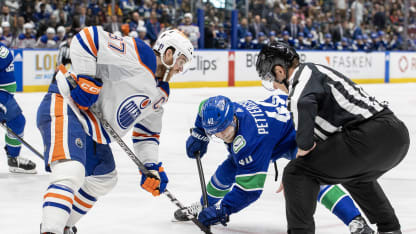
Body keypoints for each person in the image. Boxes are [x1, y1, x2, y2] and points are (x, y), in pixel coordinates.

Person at [36, 27, 194, 234]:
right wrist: (86, 79)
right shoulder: (140, 54)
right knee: (71, 170)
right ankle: (51, 229)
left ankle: (63, 225)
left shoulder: (161, 92)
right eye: (181, 61)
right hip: (66, 104)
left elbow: (147, 133)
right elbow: (87, 38)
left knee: (104, 177)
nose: (181, 69)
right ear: (169, 53)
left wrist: (150, 166)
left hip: (92, 125)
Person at [255, 41, 409, 234]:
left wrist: (296, 172)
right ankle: (390, 228)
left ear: (279, 71)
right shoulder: (315, 71)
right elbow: (323, 149)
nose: (276, 87)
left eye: (272, 80)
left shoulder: (299, 86)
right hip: (396, 137)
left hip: (370, 136)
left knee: (296, 173)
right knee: (353, 174)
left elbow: (305, 138)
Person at [173, 94, 374, 234]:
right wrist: (200, 134)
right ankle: (202, 205)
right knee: (226, 171)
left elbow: (250, 190)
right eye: (214, 132)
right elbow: (203, 111)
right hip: (277, 129)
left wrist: (223, 211)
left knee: (313, 178)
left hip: (298, 134)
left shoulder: (250, 140)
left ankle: (356, 221)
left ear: (233, 116)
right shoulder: (222, 109)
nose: (221, 135)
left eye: (224, 129)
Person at [0, 42, 36, 173]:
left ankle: (13, 159)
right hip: (1, 95)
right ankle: (14, 158)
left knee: (17, 122)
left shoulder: (3, 49)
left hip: (5, 95)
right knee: (17, 121)